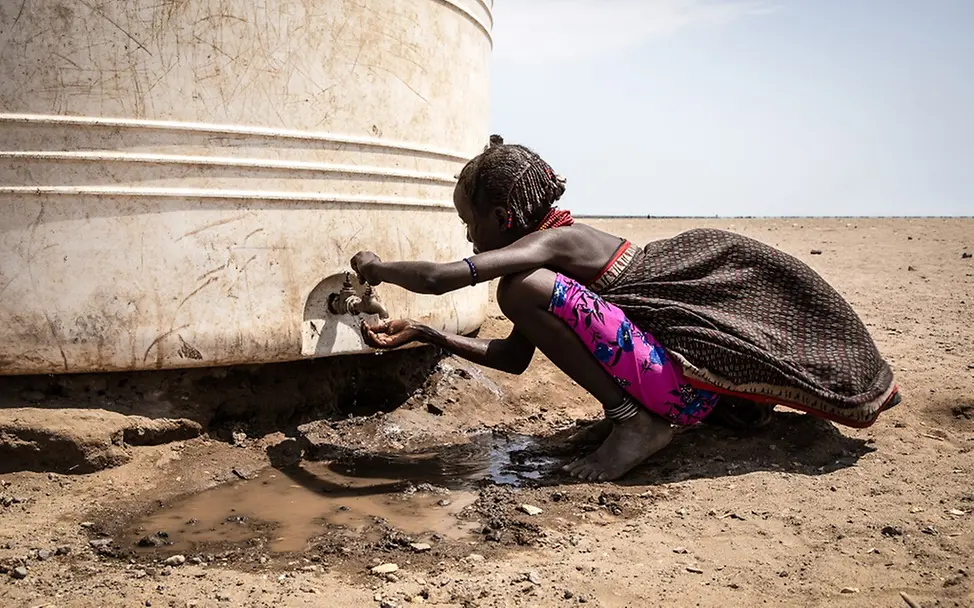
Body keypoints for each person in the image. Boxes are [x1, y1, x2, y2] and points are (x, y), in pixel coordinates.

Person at [349, 136, 900, 482]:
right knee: (518, 293)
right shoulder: (546, 260)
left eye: (470, 220)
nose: (468, 233)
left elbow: (443, 279)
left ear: (502, 215)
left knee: (513, 291)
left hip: (674, 392)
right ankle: (639, 418)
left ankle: (635, 425)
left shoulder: (552, 247)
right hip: (683, 389)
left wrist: (376, 268)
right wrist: (428, 334)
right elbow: (516, 357)